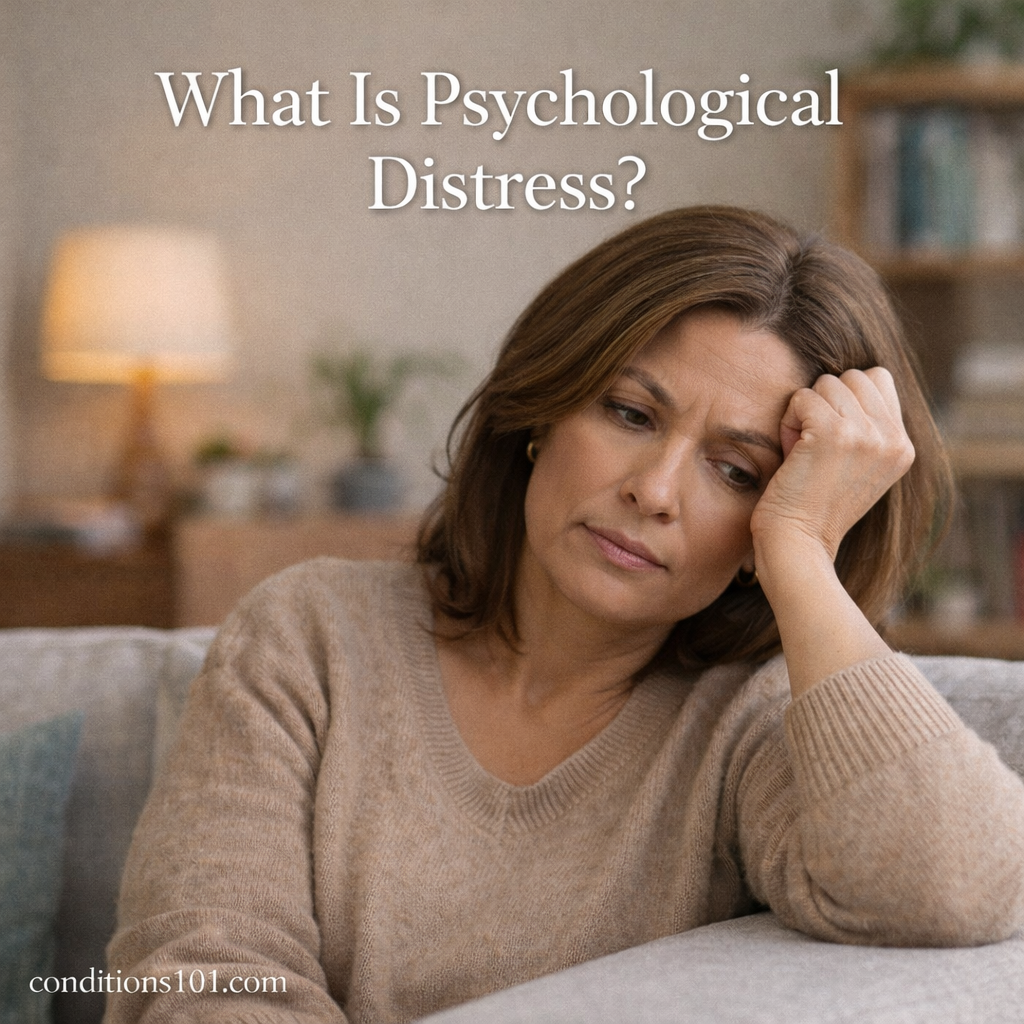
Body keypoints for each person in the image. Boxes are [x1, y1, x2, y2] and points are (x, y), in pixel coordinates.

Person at [105, 207, 1024, 1024]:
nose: (654, 491)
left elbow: (957, 892)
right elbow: (198, 972)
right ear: (543, 406)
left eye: (736, 471)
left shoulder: (754, 723)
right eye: (628, 413)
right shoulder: (307, 636)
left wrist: (799, 554)